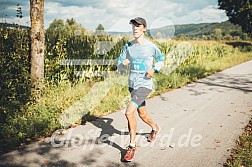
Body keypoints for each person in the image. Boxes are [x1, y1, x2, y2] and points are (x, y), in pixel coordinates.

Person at [117, 17, 164, 162]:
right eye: (133, 26)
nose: (135, 29)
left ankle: (132, 146)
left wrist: (154, 69)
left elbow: (161, 59)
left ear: (144, 28)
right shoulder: (128, 46)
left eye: (138, 26)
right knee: (142, 114)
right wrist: (122, 63)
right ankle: (155, 128)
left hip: (144, 85)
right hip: (132, 84)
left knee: (129, 112)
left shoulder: (151, 46)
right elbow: (119, 62)